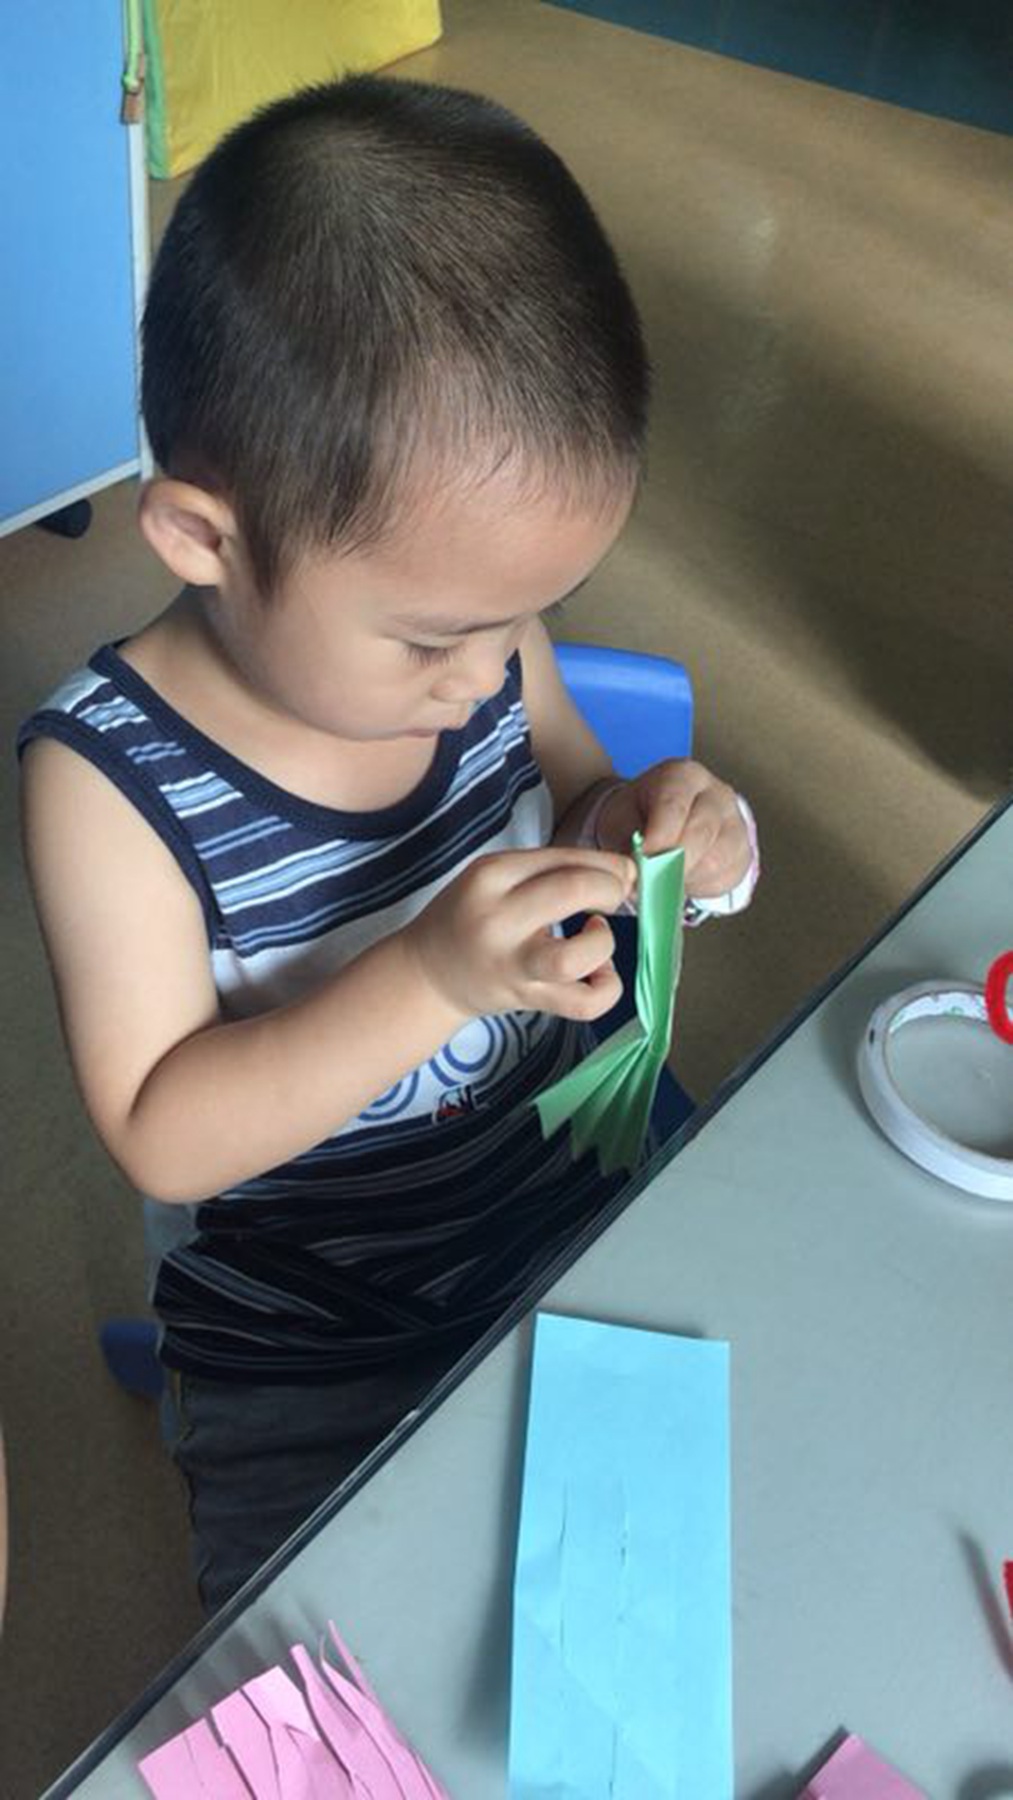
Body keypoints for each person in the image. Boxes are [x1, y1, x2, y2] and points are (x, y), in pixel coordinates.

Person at [19, 76, 758, 1612]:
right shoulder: (108, 785)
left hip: (570, 1200)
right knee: (331, 1668)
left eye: (523, 617)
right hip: (308, 1338)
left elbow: (575, 788)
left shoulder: (479, 632)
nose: (487, 674)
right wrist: (429, 977)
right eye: (433, 638)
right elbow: (162, 1129)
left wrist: (652, 824)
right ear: (203, 538)